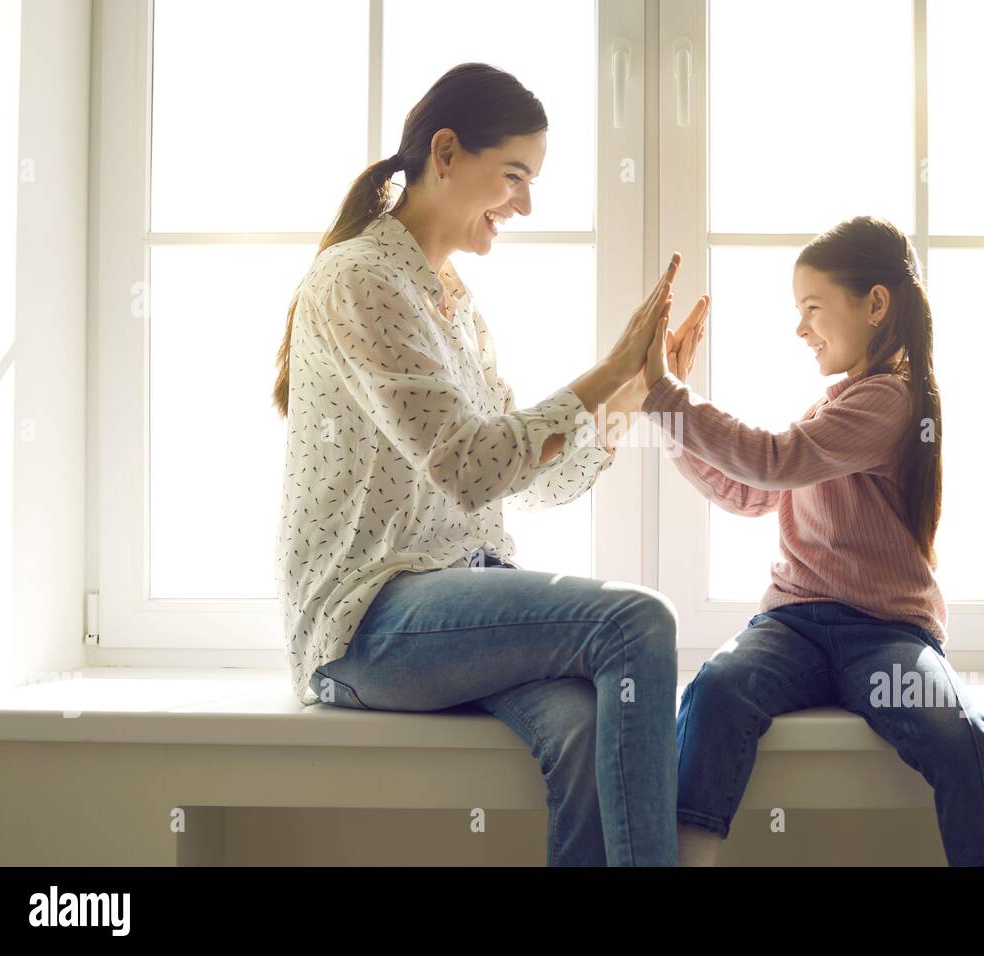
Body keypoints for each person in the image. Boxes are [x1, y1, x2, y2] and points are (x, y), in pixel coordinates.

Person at [271, 62, 693, 866]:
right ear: (446, 153)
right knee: (638, 619)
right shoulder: (360, 278)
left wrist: (634, 390)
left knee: (584, 729)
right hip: (364, 623)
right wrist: (606, 369)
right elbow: (468, 468)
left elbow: (522, 477)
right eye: (514, 176)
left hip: (453, 604)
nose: (525, 204)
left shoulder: (453, 301)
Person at [637, 215, 984, 867]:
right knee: (717, 690)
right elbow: (751, 491)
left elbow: (772, 460)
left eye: (812, 308)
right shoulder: (832, 407)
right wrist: (675, 412)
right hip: (793, 627)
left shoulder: (892, 402)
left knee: (958, 733)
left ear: (876, 304)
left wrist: (670, 397)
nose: (800, 329)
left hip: (887, 636)